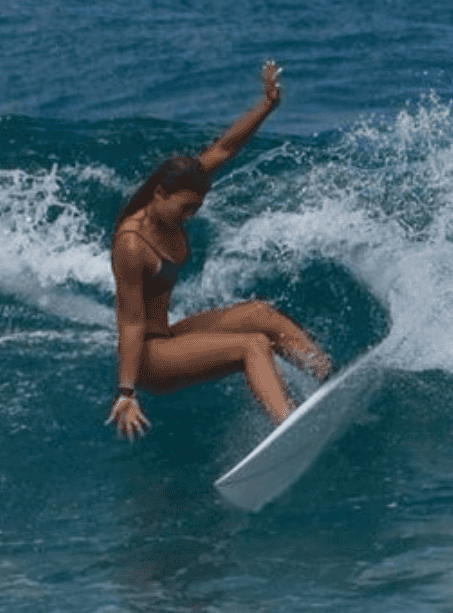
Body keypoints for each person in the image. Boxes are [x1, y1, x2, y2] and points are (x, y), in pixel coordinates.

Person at [107, 60, 331, 440]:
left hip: (168, 337)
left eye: (196, 207)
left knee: (260, 314)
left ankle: (327, 375)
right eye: (184, 208)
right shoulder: (132, 244)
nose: (190, 216)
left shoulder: (183, 184)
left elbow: (225, 148)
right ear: (160, 194)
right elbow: (129, 323)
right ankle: (288, 427)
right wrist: (126, 393)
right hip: (149, 360)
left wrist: (266, 105)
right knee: (252, 345)